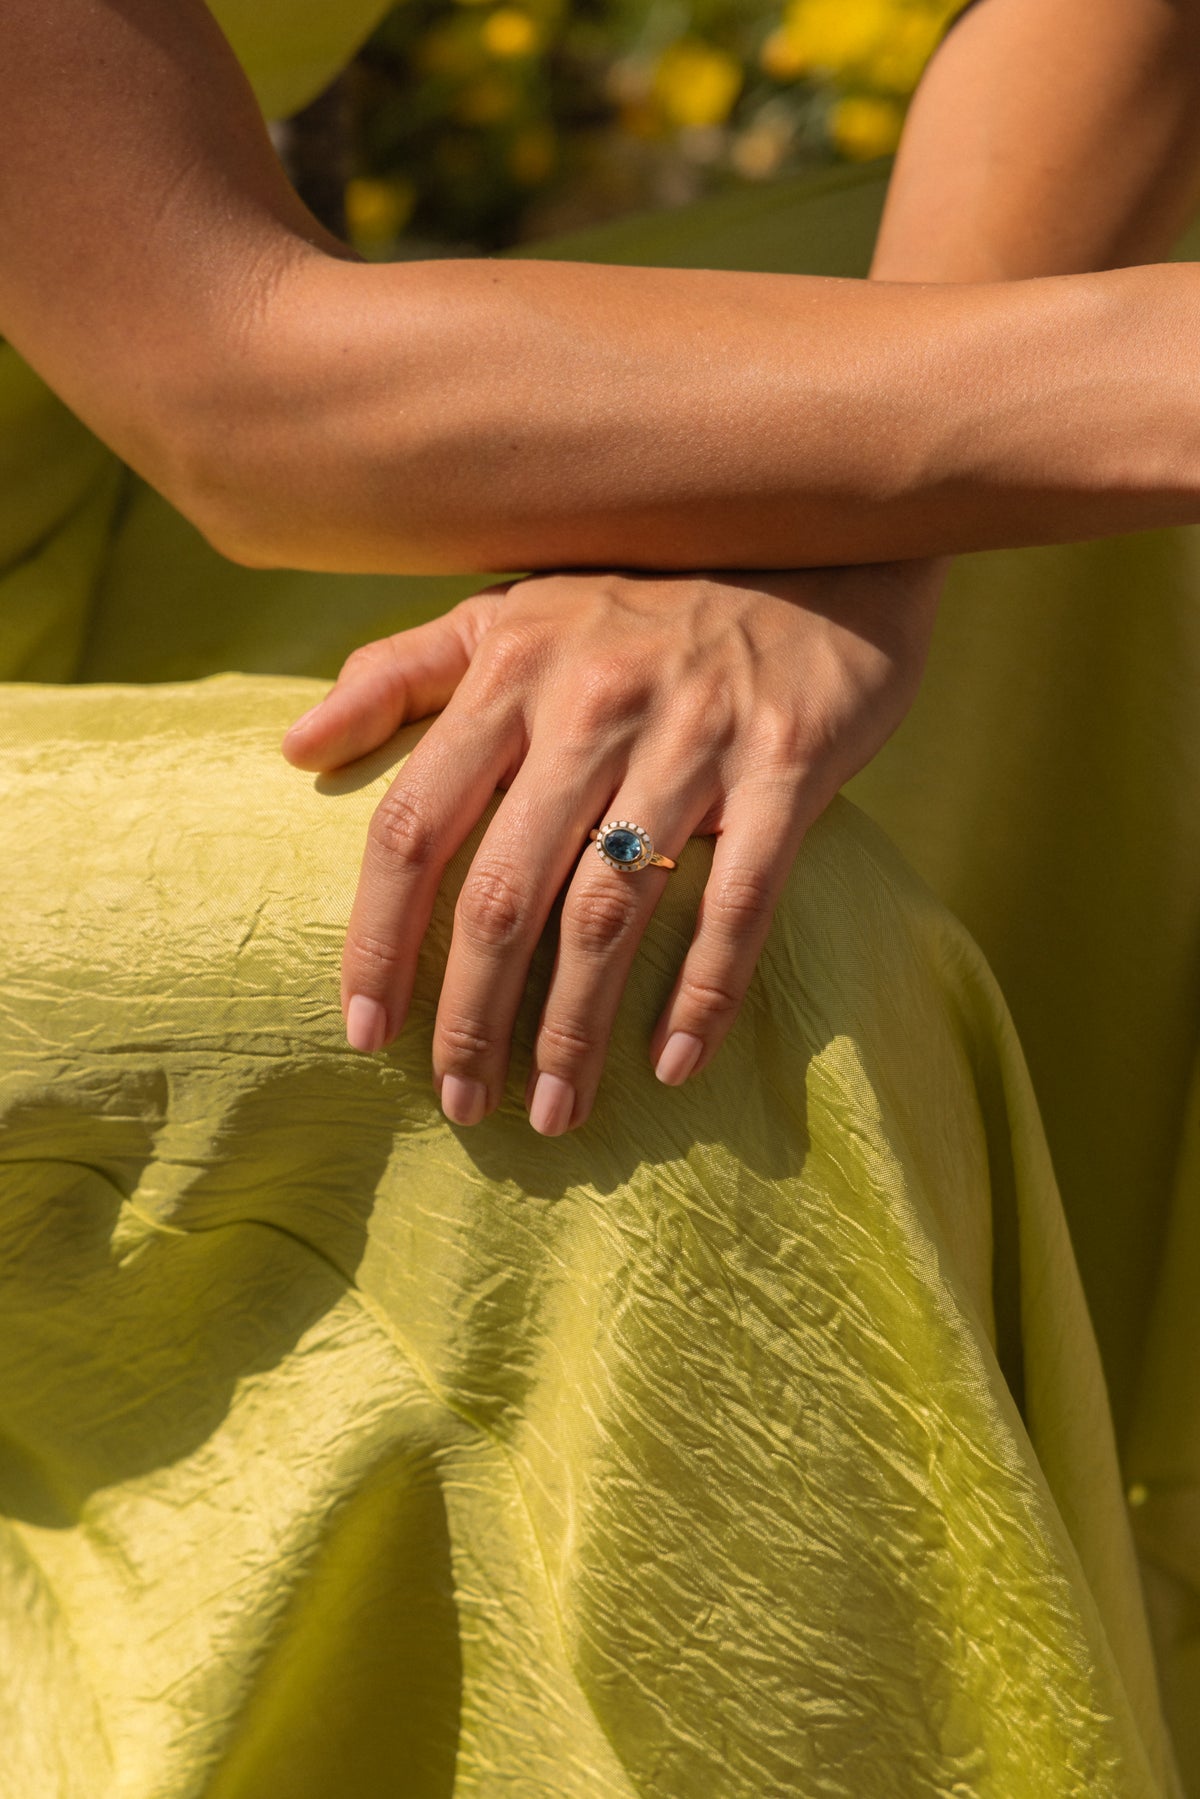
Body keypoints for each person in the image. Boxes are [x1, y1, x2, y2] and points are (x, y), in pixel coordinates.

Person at [2, 0, 1199, 1793]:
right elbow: (226, 373)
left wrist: (837, 555)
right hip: (184, 404)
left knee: (1108, 534)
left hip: (74, 496)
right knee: (646, 959)